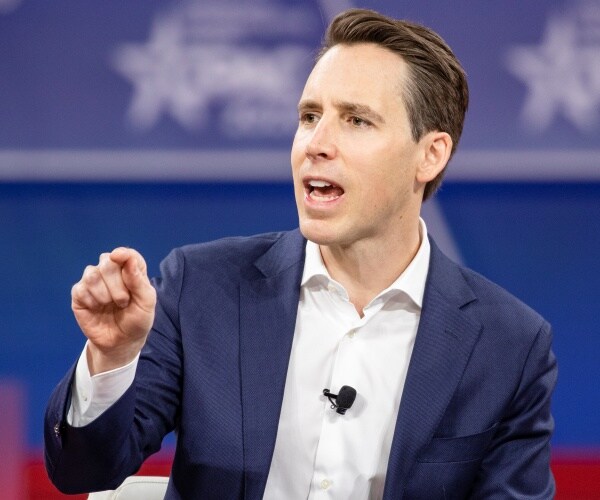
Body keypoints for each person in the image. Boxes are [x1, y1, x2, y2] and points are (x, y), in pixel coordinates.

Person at [44, 8, 557, 499]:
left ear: (430, 154)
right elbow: (82, 470)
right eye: (310, 116)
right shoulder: (202, 287)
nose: (316, 142)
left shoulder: (507, 346)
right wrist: (112, 359)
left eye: (356, 120)